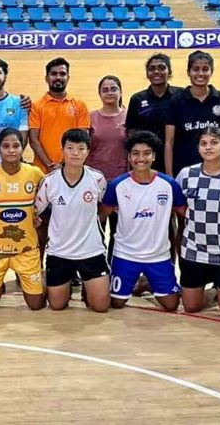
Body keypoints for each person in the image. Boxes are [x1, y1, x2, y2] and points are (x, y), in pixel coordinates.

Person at [100, 131, 186, 311]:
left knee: (171, 305)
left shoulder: (169, 185)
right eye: (136, 154)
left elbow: (184, 214)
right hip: (125, 255)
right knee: (116, 303)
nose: (141, 158)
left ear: (154, 156)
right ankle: (135, 282)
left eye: (147, 153)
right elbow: (102, 216)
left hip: (158, 256)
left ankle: (148, 284)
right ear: (129, 157)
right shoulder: (117, 185)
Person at [175, 125, 220, 317]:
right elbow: (180, 209)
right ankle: (215, 292)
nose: (208, 147)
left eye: (214, 143)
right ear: (198, 148)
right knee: (190, 308)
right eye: (203, 143)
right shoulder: (186, 174)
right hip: (194, 249)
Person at [35, 129, 110, 312]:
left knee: (100, 307)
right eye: (70, 148)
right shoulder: (49, 182)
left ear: (88, 152)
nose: (75, 153)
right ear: (62, 150)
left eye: (81, 148)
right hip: (59, 252)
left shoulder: (97, 179)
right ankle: (62, 287)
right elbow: (36, 213)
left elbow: (103, 207)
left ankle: (88, 287)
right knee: (57, 305)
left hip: (91, 251)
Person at [0, 128, 45, 310]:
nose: (11, 150)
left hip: (26, 249)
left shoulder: (35, 174)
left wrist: (38, 219)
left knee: (36, 305)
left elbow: (45, 205)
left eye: (16, 146)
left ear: (22, 148)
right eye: (6, 146)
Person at [28, 57, 90, 261]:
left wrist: (64, 166)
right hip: (43, 174)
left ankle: (70, 267)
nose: (58, 77)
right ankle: (36, 269)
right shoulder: (37, 105)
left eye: (62, 74)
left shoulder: (79, 105)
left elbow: (83, 138)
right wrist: (49, 165)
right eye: (54, 74)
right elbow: (33, 139)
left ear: (68, 77)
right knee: (40, 225)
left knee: (69, 224)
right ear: (46, 78)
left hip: (71, 176)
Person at [165, 50, 220, 177]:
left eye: (205, 69)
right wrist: (169, 176)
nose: (200, 73)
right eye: (195, 69)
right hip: (184, 168)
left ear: (211, 71)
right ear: (188, 72)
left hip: (216, 168)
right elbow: (169, 142)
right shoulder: (176, 101)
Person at [86, 75, 127, 260]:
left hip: (121, 182)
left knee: (119, 232)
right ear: (99, 93)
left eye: (113, 88)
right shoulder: (91, 118)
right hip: (95, 182)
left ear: (120, 92)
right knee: (95, 230)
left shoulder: (128, 116)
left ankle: (115, 272)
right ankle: (98, 271)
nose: (109, 93)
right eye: (105, 89)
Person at [125, 53, 180, 173]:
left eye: (161, 68)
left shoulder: (180, 95)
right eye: (152, 68)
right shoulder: (137, 99)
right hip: (146, 160)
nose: (156, 71)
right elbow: (131, 132)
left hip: (177, 157)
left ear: (169, 72)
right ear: (147, 73)